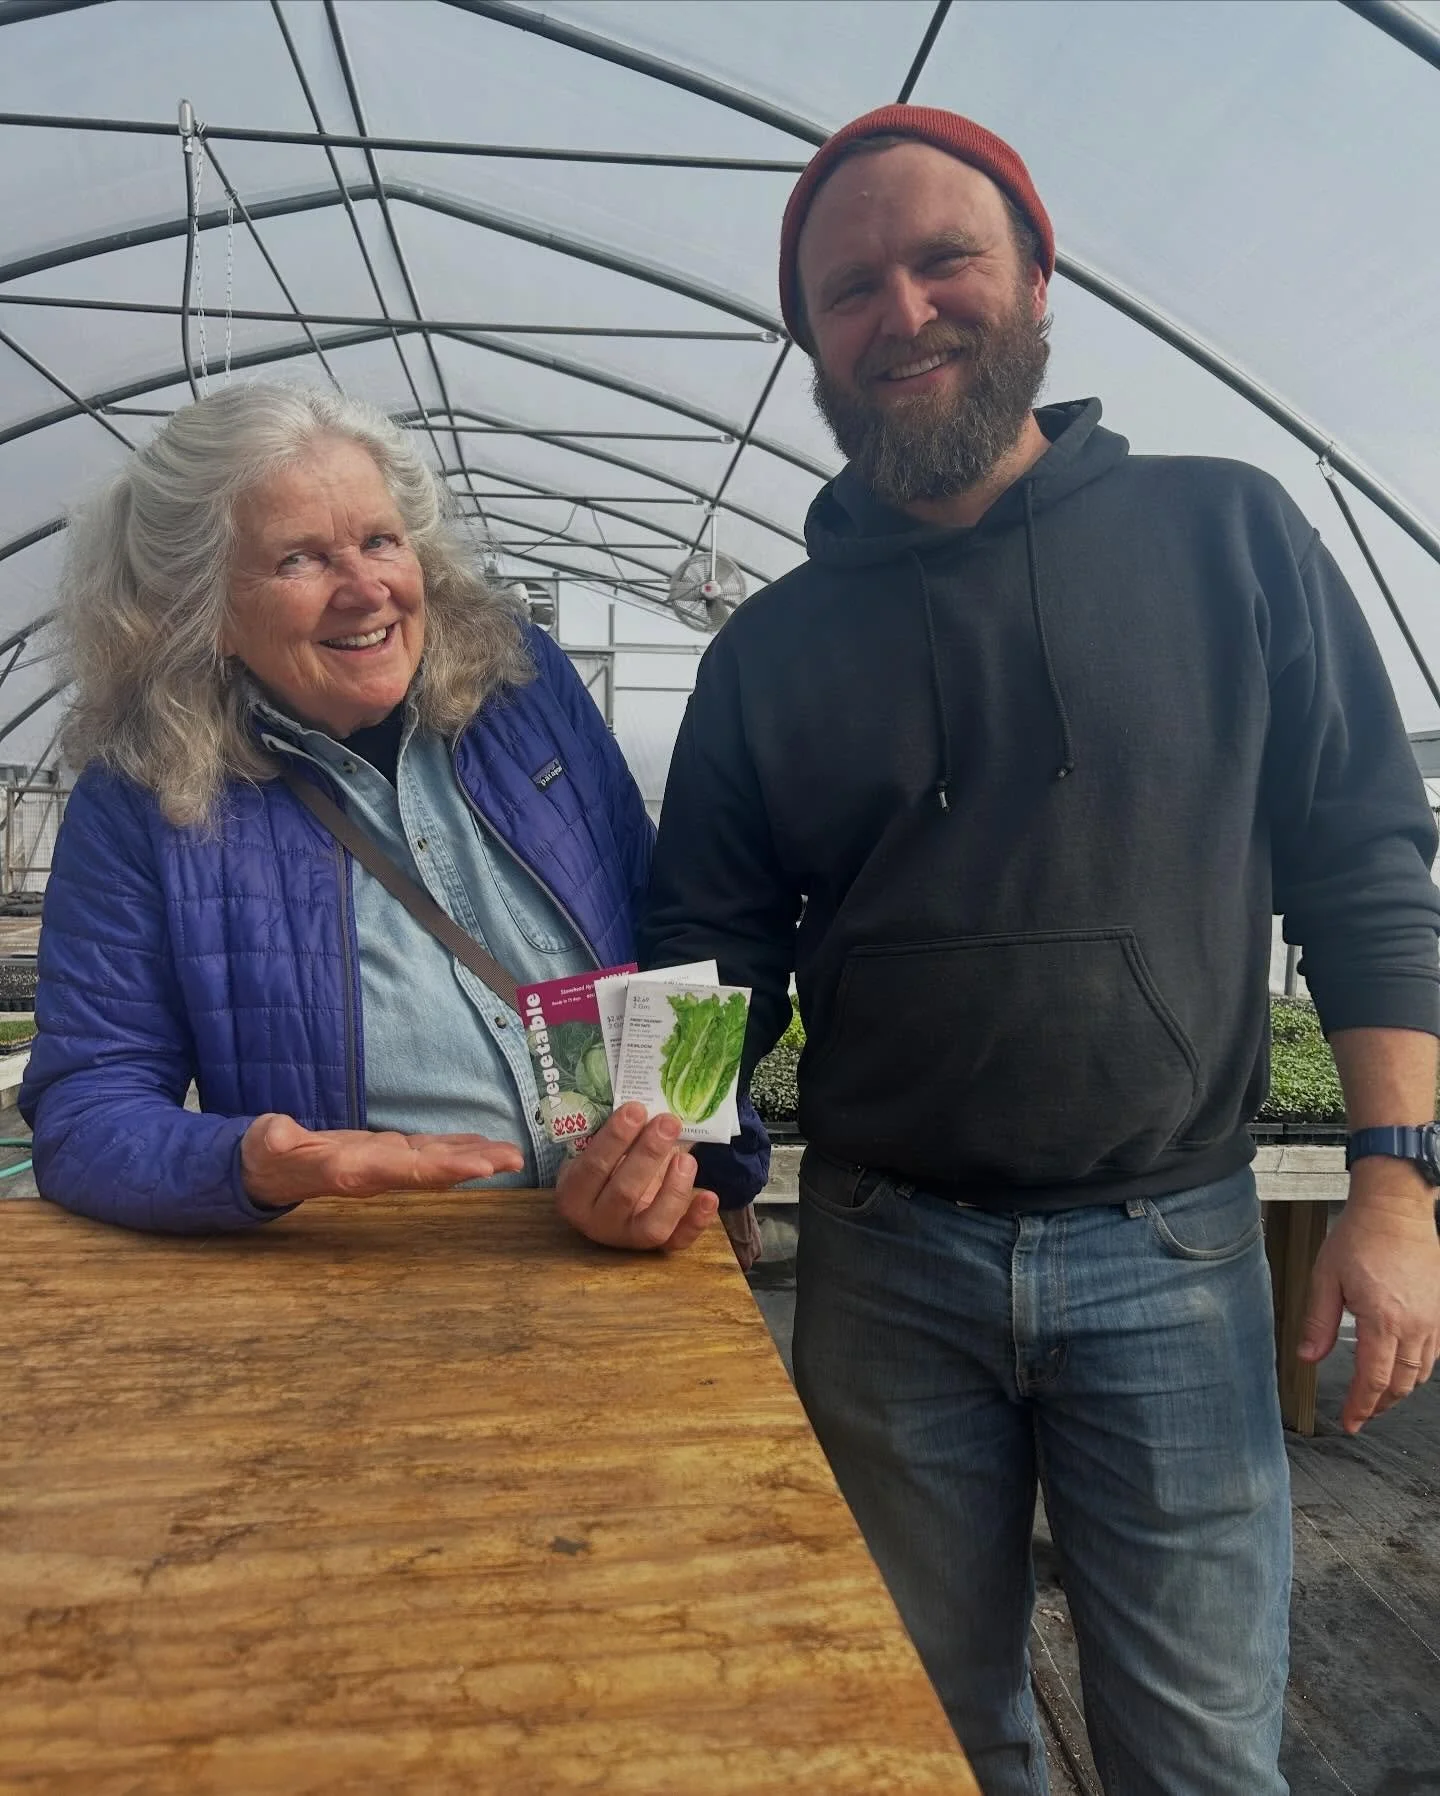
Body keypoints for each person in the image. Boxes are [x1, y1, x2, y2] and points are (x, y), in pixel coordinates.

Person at [642, 104, 1440, 1795]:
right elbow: (712, 949)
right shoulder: (768, 653)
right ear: (812, 346)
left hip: (1173, 1248)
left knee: (1203, 1745)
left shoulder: (1231, 539)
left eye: (943, 261)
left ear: (1037, 279)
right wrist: (689, 1176)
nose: (903, 311)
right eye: (850, 290)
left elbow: (1364, 861)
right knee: (920, 1727)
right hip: (882, 1259)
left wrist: (1393, 1182)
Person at [21, 384, 767, 1255]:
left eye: (380, 540)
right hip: (372, 1272)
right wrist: (247, 1164)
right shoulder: (144, 790)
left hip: (623, 1244)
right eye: (299, 559)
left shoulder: (523, 685)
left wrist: (695, 1165)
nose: (365, 587)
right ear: (205, 609)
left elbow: (664, 921)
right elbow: (83, 1110)